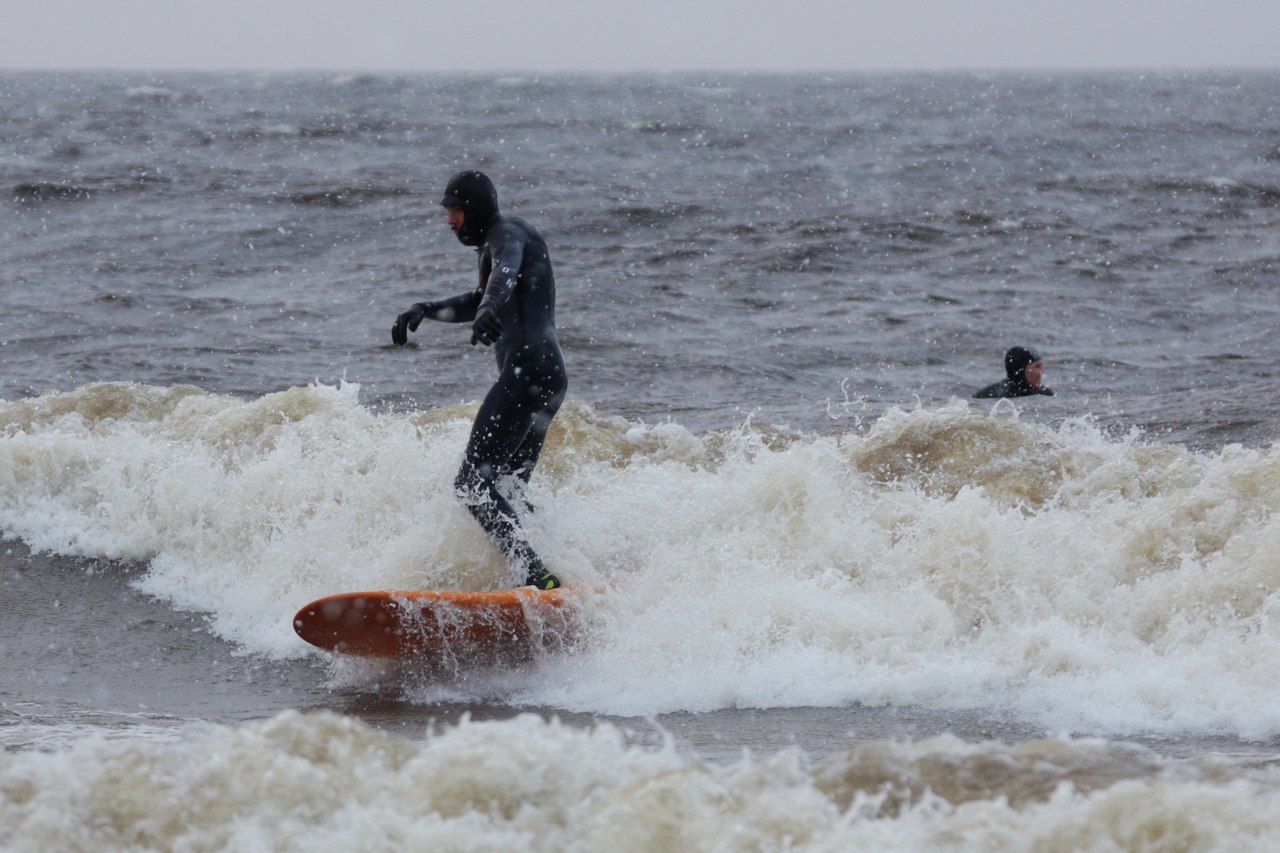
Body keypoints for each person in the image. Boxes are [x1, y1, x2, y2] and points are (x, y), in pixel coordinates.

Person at [392, 170, 566, 590]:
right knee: (509, 487)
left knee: (472, 483)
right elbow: (479, 299)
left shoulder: (508, 234)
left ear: (476, 210)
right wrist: (426, 309)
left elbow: (504, 274)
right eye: (448, 211)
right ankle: (559, 570)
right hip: (549, 375)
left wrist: (490, 304)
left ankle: (536, 576)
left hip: (526, 372)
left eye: (455, 210)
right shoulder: (496, 243)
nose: (450, 221)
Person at [973, 346, 1055, 398]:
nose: (1042, 371)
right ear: (1020, 370)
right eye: (1037, 366)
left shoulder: (1046, 393)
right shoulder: (992, 394)